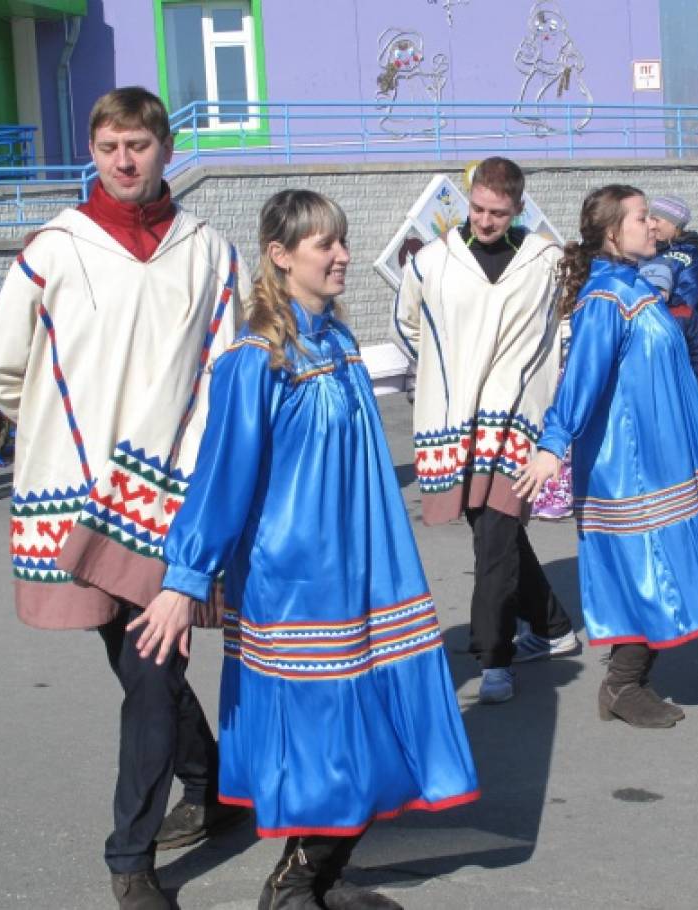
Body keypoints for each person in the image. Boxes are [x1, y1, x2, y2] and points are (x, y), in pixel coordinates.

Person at [138, 189, 479, 910]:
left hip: (366, 569)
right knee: (329, 743)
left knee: (379, 724)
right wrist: (184, 577)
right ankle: (294, 888)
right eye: (324, 244)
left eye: (343, 241)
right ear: (279, 254)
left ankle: (314, 878)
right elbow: (221, 478)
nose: (342, 256)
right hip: (297, 584)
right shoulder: (255, 359)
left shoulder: (337, 342)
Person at [0, 87, 249, 910]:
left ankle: (129, 860)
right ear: (92, 153)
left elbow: (226, 373)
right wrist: (60, 427)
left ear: (166, 149)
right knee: (142, 674)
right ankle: (212, 786)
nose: (124, 160)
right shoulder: (55, 248)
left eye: (137, 144)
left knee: (148, 668)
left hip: (167, 497)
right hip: (76, 498)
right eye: (108, 147)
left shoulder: (210, 253)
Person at [514, 185, 698, 729]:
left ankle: (631, 681)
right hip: (631, 466)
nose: (652, 226)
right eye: (642, 218)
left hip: (664, 459)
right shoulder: (605, 299)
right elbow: (582, 380)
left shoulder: (633, 285)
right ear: (614, 232)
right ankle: (622, 686)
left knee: (667, 566)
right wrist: (553, 444)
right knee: (651, 570)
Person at [392, 156, 578, 703]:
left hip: (517, 416)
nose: (485, 220)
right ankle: (553, 626)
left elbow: (561, 331)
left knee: (494, 536)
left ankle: (493, 658)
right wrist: (445, 377)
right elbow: (408, 324)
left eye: (497, 212)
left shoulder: (547, 262)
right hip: (456, 420)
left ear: (519, 208)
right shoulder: (432, 261)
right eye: (477, 208)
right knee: (491, 529)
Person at [648, 195, 698, 413]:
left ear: (674, 224)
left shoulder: (689, 257)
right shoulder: (649, 252)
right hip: (655, 340)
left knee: (689, 409)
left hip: (684, 340)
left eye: (657, 219)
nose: (651, 224)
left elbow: (686, 299)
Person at [640, 258, 698, 410]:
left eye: (661, 289)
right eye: (651, 289)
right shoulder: (638, 316)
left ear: (670, 288)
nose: (656, 295)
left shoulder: (684, 314)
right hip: (649, 390)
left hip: (682, 386)